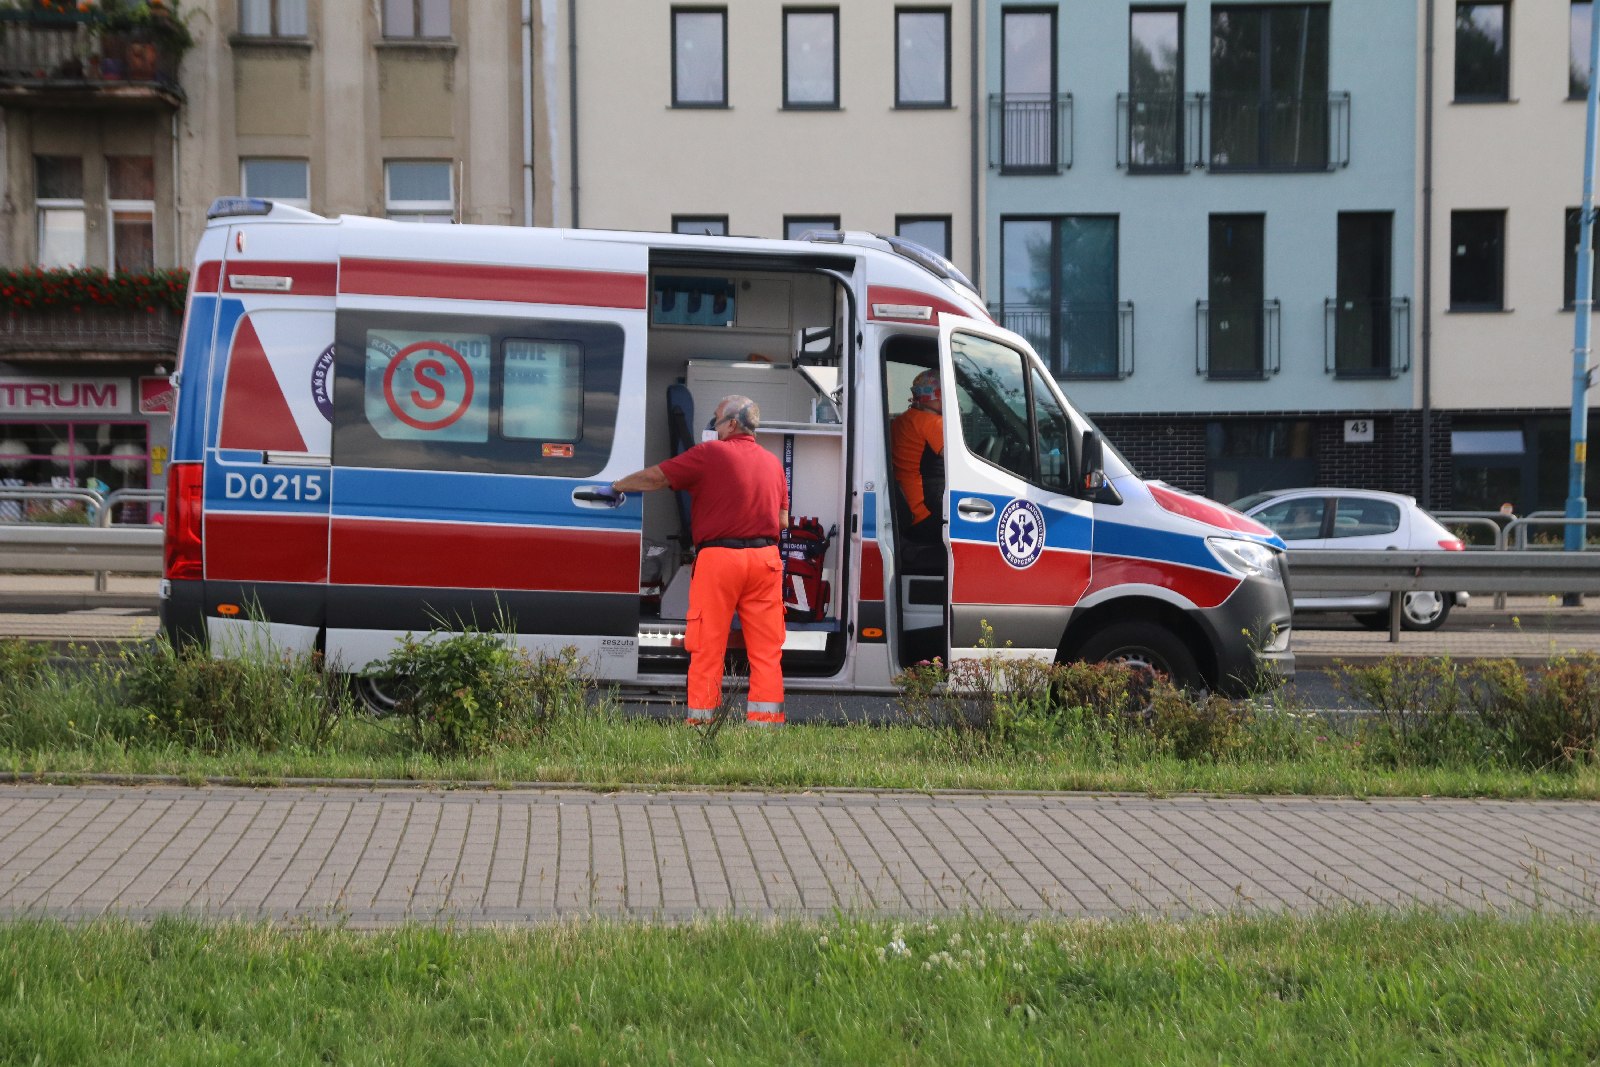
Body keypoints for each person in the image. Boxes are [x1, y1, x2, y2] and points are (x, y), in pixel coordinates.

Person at [608, 395, 789, 726]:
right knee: (766, 651)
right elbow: (783, 521)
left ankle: (703, 723)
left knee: (708, 646)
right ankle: (765, 726)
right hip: (766, 561)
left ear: (732, 424)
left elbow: (657, 477)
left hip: (720, 560)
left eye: (717, 418)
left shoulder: (710, 454)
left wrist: (617, 485)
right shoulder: (773, 463)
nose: (713, 425)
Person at [890, 368, 945, 545]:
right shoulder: (934, 423)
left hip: (905, 509)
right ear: (934, 396)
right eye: (943, 393)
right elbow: (959, 463)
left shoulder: (901, 421)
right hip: (925, 513)